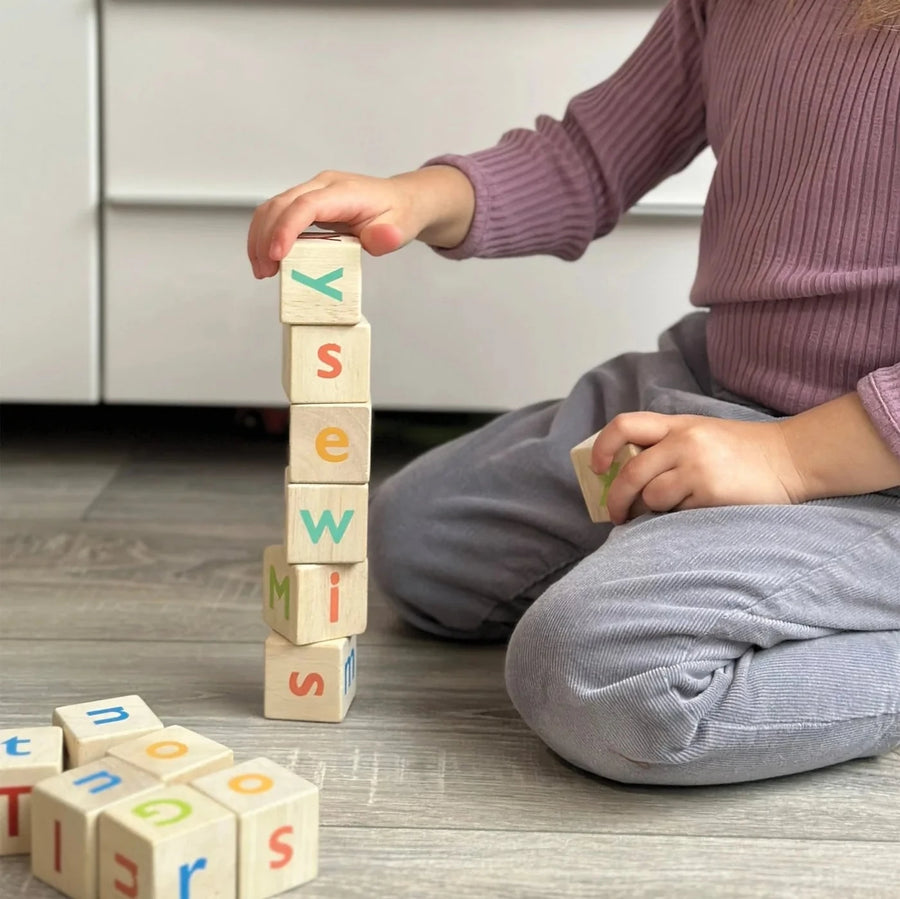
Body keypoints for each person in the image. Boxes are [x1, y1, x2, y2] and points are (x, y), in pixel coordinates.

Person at [247, 0, 900, 786]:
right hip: (717, 383)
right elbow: (591, 158)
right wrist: (421, 197)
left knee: (600, 678)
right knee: (417, 543)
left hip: (873, 463)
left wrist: (791, 456)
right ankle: (691, 564)